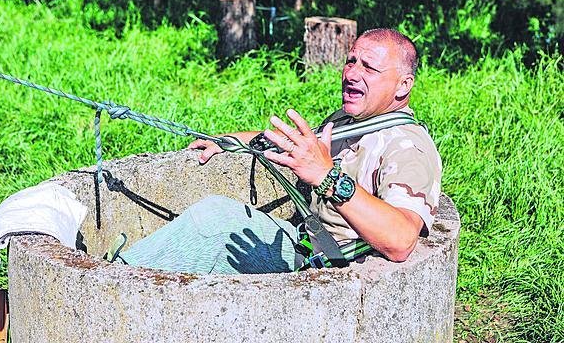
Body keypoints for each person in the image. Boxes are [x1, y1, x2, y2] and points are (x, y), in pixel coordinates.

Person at [118, 28, 441, 273]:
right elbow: (299, 148)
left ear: (403, 86)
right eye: (350, 61)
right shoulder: (349, 120)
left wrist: (328, 179)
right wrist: (228, 141)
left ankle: (116, 283)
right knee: (217, 215)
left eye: (369, 68)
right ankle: (123, 272)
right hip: (306, 240)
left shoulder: (407, 147)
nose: (351, 74)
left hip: (335, 268)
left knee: (213, 223)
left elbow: (401, 241)